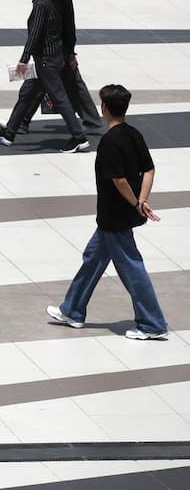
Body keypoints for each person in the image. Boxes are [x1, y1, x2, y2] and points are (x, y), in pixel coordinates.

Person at [47, 85, 168, 340]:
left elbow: (119, 180)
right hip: (115, 216)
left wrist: (136, 203)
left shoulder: (109, 142)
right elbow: (149, 169)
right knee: (93, 258)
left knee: (132, 269)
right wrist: (142, 200)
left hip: (115, 217)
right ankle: (73, 310)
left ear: (104, 108)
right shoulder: (133, 134)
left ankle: (152, 323)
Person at [0, 0, 89, 154]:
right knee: (27, 94)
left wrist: (23, 59)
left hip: (46, 61)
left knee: (59, 98)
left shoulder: (42, 6)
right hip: (51, 58)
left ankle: (79, 137)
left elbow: (34, 35)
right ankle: (10, 133)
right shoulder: (48, 1)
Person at [9, 0, 102, 135]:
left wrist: (70, 52)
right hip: (52, 51)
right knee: (36, 85)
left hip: (56, 51)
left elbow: (68, 24)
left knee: (65, 84)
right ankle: (20, 122)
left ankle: (84, 126)